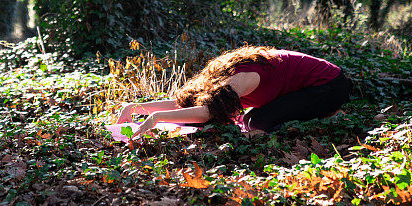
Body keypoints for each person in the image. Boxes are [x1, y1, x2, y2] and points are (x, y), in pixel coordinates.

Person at [115, 45, 352, 138]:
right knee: (248, 119)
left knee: (257, 124)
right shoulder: (217, 81)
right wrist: (134, 108)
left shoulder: (241, 79)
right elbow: (184, 104)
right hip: (308, 85)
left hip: (330, 86)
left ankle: (329, 113)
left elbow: (208, 112)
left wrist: (156, 118)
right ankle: (320, 110)